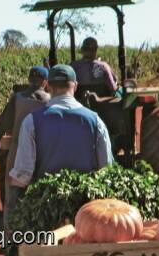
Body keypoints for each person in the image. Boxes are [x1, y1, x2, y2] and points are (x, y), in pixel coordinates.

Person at [6, 65, 114, 229]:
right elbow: (106, 169)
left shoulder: (31, 122)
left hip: (45, 211)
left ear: (48, 86)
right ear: (75, 86)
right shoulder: (95, 121)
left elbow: (22, 175)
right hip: (86, 214)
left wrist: (15, 209)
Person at [0, 66, 50, 205]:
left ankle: (10, 222)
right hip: (41, 152)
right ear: (45, 82)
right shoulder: (50, 101)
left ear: (29, 80)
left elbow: (3, 123)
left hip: (17, 151)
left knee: (12, 191)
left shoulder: (17, 99)